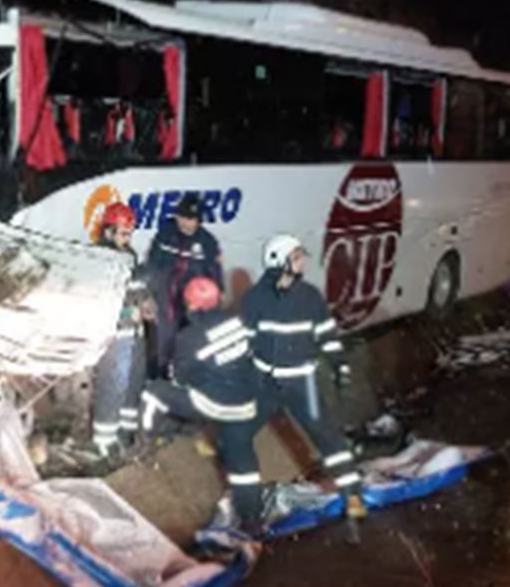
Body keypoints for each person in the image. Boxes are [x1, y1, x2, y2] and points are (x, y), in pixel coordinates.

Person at [241, 234, 365, 521]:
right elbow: (243, 341)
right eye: (296, 256)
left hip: (302, 384)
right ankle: (249, 506)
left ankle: (353, 495)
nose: (302, 261)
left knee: (330, 440)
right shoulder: (255, 299)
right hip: (266, 384)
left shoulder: (310, 297)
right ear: (278, 261)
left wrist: (339, 365)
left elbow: (326, 335)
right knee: (236, 437)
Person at [139, 276, 264, 532]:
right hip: (246, 402)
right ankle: (253, 520)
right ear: (220, 299)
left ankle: (144, 441)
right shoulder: (239, 322)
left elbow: (179, 378)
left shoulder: (190, 337)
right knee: (243, 462)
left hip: (214, 403)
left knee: (155, 392)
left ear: (191, 306)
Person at [90, 202, 153, 455]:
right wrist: (129, 313)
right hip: (115, 338)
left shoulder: (129, 256)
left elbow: (137, 288)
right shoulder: (99, 262)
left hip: (135, 336)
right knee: (111, 387)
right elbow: (99, 305)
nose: (128, 238)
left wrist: (147, 301)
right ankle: (104, 445)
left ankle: (125, 436)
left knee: (133, 386)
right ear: (108, 232)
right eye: (123, 232)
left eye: (130, 232)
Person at [147, 194, 224, 377]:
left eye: (190, 219)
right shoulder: (165, 235)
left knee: (192, 346)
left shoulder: (207, 242)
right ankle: (162, 379)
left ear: (198, 220)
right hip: (167, 300)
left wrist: (216, 299)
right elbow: (152, 266)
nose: (185, 223)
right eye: (182, 217)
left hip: (194, 305)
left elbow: (215, 275)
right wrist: (149, 295)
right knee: (164, 346)